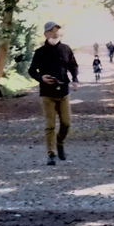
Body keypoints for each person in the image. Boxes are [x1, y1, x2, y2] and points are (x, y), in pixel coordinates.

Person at [28, 21, 79, 166]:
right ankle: (51, 153)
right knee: (50, 125)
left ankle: (60, 143)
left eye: (57, 30)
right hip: (47, 94)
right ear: (45, 34)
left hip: (63, 92)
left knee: (66, 123)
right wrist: (41, 78)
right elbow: (32, 70)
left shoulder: (66, 49)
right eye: (51, 30)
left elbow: (73, 66)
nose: (55, 33)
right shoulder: (40, 52)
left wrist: (75, 80)